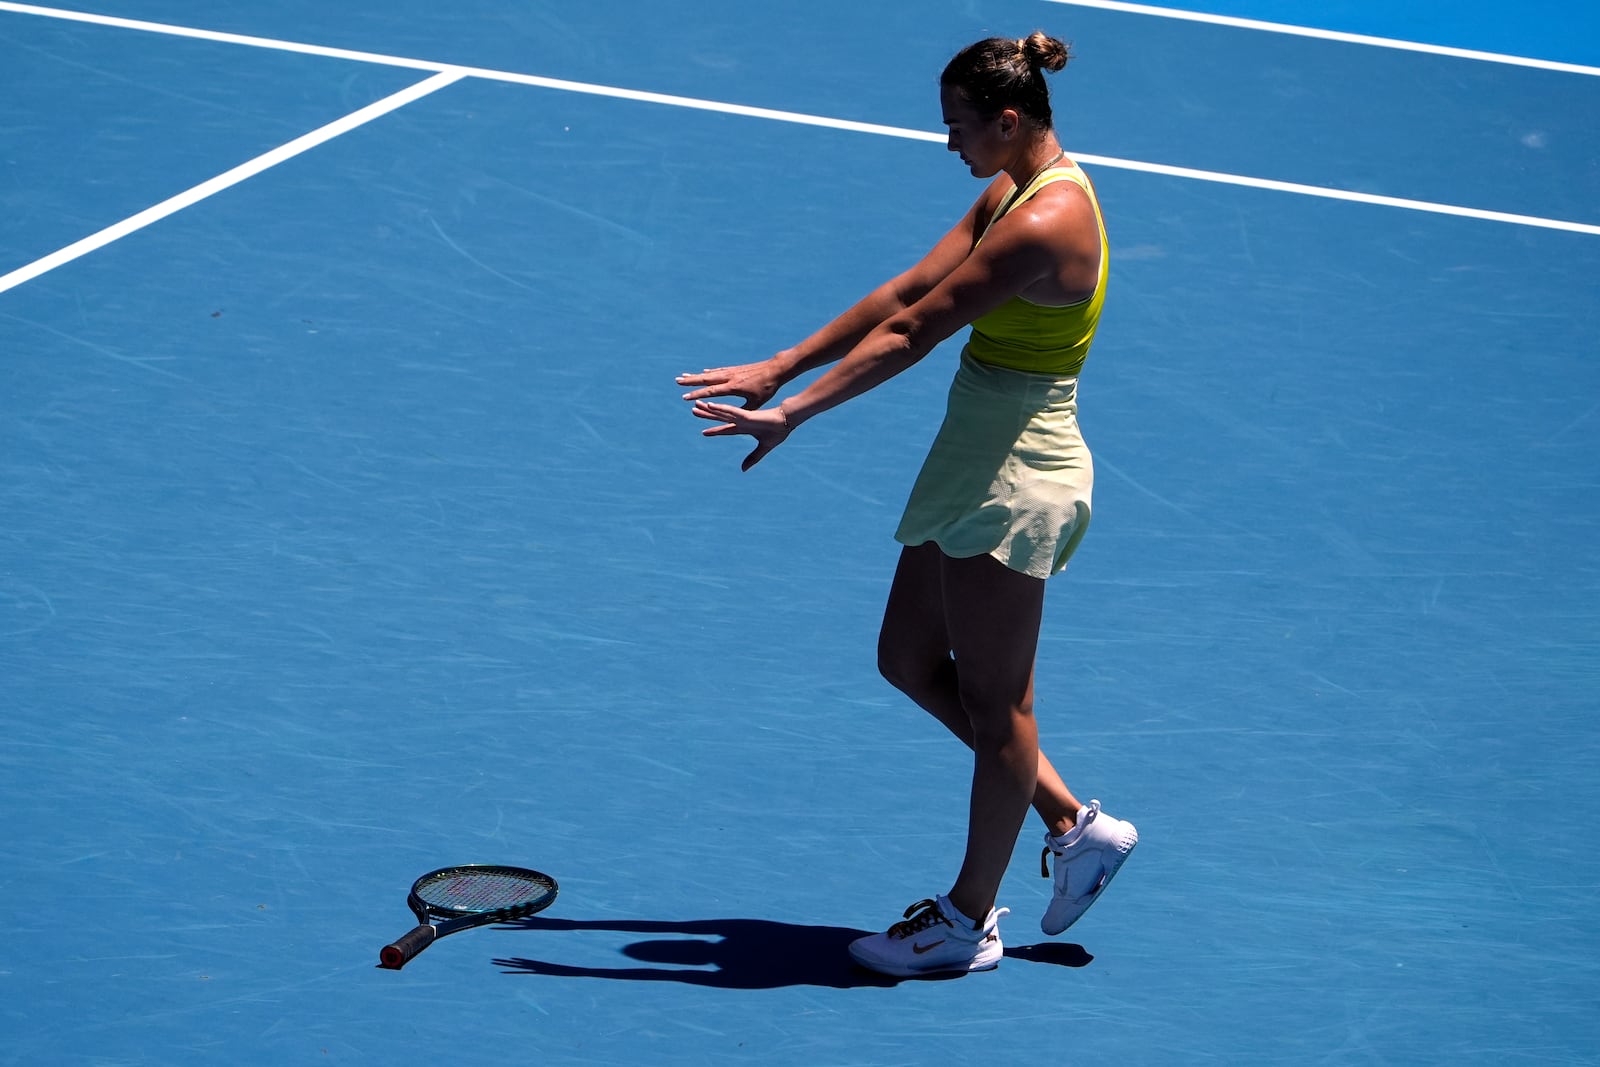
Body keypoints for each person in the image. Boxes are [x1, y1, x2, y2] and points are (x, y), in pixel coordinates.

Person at [677, 31, 1137, 979]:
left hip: (1018, 473)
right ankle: (1074, 824)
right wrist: (780, 363)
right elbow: (905, 287)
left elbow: (916, 330)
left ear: (1010, 120)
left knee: (999, 704)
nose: (951, 144)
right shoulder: (1009, 190)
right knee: (907, 657)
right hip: (975, 454)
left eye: (960, 127)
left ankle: (967, 921)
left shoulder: (1049, 221)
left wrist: (794, 412)